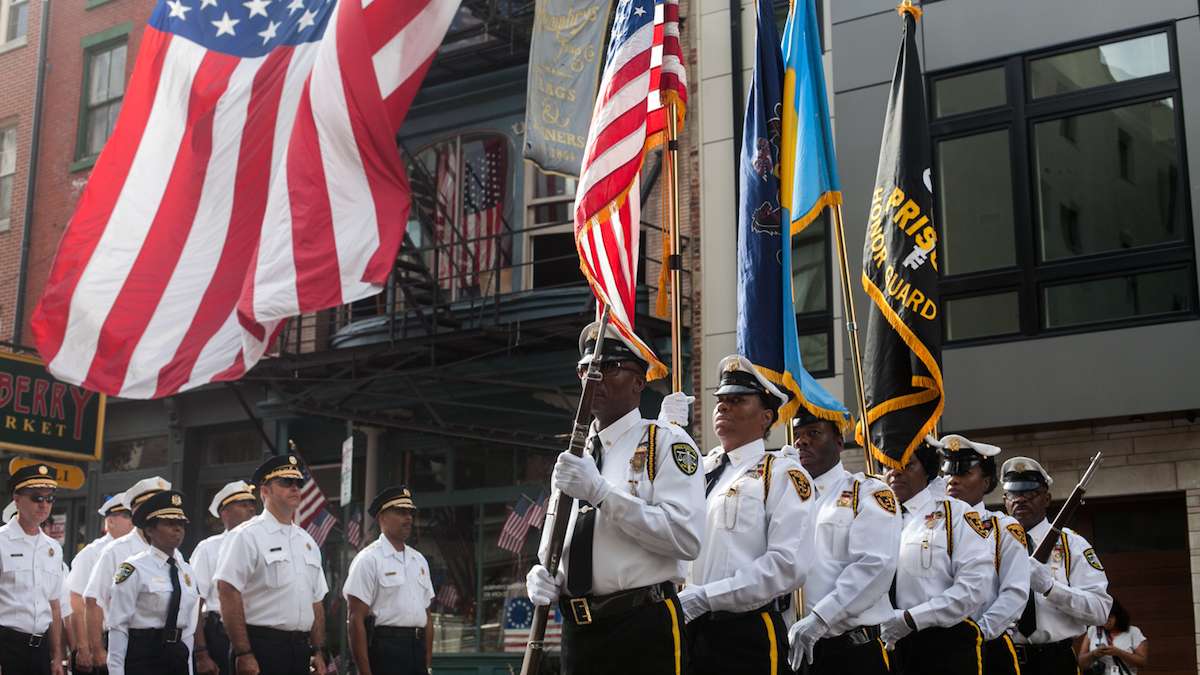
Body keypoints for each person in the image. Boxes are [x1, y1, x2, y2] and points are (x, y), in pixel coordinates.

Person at [525, 321, 705, 675]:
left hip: (641, 624)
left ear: (639, 382)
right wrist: (544, 573)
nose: (593, 378)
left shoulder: (666, 443)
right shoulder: (575, 455)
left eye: (608, 367)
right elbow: (555, 540)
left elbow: (686, 538)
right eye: (585, 369)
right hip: (579, 631)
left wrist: (602, 494)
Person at [681, 355, 813, 675]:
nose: (723, 407)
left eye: (737, 400)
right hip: (690, 629)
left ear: (766, 417)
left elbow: (787, 565)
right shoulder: (700, 472)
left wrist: (708, 597)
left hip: (744, 632)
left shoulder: (781, 474)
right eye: (721, 401)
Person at [786, 410, 901, 675]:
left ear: (839, 442)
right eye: (797, 436)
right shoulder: (786, 496)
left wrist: (820, 618)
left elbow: (874, 566)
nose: (801, 442)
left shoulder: (868, 492)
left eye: (813, 433)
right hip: (791, 650)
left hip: (848, 652)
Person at [881, 440, 993, 675]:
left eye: (907, 464)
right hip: (883, 647)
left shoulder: (957, 514)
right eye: (888, 465)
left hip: (941, 646)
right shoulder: (874, 516)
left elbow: (974, 588)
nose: (895, 472)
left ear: (928, 470)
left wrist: (911, 619)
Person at [215, 454, 329, 675]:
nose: (295, 488)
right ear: (264, 491)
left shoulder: (307, 541)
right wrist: (243, 653)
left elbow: (316, 601)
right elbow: (227, 591)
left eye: (298, 483)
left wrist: (318, 650)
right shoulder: (246, 536)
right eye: (286, 482)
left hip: (300, 649)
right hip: (262, 646)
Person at [1002, 457, 1111, 675]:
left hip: (1055, 661)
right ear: (1005, 499)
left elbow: (1100, 610)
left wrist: (1051, 588)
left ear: (1047, 498)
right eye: (1013, 493)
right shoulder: (992, 544)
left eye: (1030, 493)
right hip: (1004, 659)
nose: (1020, 499)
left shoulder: (1073, 544)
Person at [937, 434, 1030, 675]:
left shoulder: (1003, 528)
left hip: (987, 645)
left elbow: (1015, 592)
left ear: (986, 482)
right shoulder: (927, 526)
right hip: (933, 646)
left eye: (965, 473)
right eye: (948, 473)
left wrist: (978, 632)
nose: (952, 480)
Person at [106, 490, 199, 675]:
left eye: (181, 523)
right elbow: (118, 625)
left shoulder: (186, 570)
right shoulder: (134, 568)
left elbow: (188, 628)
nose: (178, 529)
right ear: (149, 529)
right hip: (144, 653)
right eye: (169, 523)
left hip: (176, 653)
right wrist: (116, 671)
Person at [83, 477, 171, 672]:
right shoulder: (116, 551)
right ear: (137, 512)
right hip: (128, 643)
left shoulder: (174, 551)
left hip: (167, 645)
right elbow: (93, 601)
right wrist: (97, 649)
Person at [344, 486, 434, 675]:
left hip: (416, 648)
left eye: (410, 513)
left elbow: (427, 614)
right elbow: (355, 619)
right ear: (382, 517)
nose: (408, 518)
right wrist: (364, 672)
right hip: (386, 649)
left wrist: (427, 662)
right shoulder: (368, 559)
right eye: (401, 512)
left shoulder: (419, 560)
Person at [0, 463, 66, 675]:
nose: (44, 504)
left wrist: (57, 657)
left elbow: (54, 606)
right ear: (17, 500)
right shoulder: (2, 541)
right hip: (7, 645)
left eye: (49, 499)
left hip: (41, 649)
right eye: (37, 498)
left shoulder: (53, 548)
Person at [192, 481, 258, 675]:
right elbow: (194, 603)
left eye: (252, 504)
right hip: (221, 636)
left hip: (258, 633)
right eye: (243, 504)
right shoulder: (208, 548)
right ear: (225, 513)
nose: (251, 509)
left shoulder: (261, 543)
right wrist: (201, 653)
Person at [68, 494, 132, 673]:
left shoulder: (137, 551)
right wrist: (84, 647)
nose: (132, 521)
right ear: (110, 521)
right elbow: (76, 600)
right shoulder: (92, 552)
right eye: (127, 516)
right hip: (101, 638)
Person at [1076, 598, 1148, 675]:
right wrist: (1094, 654)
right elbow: (1081, 662)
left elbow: (1142, 662)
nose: (1106, 621)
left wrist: (1118, 652)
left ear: (1118, 616)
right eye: (1103, 618)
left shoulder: (1133, 632)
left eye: (1109, 617)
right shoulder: (1093, 630)